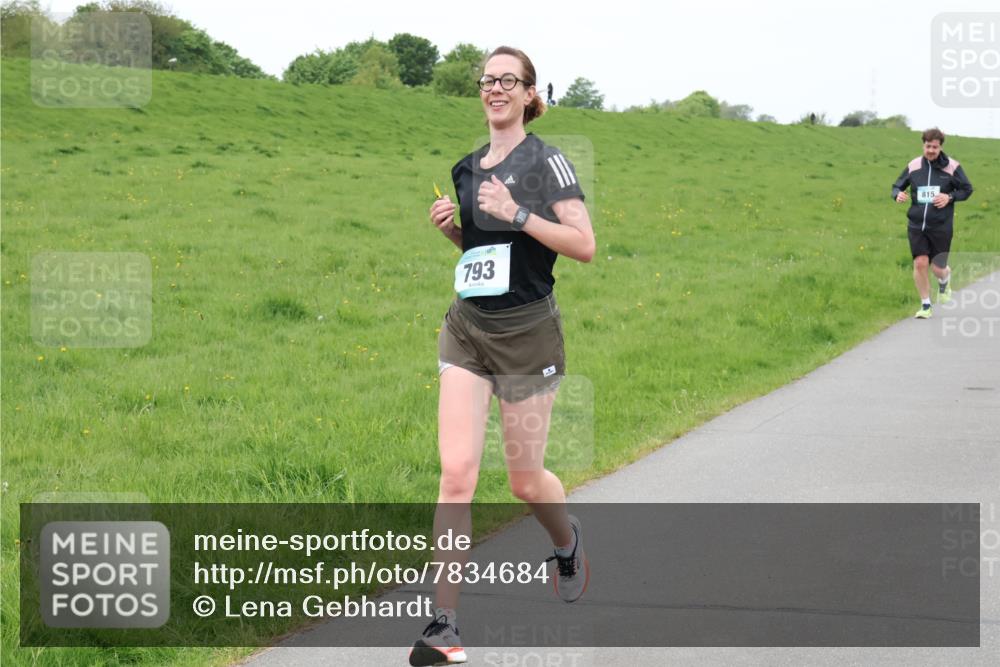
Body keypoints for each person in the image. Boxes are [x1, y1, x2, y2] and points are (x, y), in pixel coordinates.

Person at [410, 46, 595, 667]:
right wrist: (455, 234)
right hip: (467, 329)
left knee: (523, 480)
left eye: (506, 81)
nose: (494, 89)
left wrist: (517, 212)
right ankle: (445, 624)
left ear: (528, 94)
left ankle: (566, 541)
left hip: (528, 334)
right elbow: (486, 257)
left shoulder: (547, 162)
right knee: (456, 473)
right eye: (487, 80)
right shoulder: (465, 169)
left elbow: (582, 244)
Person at [891, 127, 974, 319]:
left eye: (934, 147)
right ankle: (926, 305)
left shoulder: (952, 167)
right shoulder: (914, 165)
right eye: (928, 146)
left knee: (938, 268)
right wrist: (898, 195)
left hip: (941, 225)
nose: (930, 151)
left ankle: (944, 281)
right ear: (923, 145)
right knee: (920, 263)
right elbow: (897, 186)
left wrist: (950, 197)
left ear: (940, 147)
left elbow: (967, 189)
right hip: (916, 225)